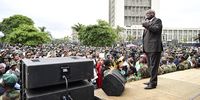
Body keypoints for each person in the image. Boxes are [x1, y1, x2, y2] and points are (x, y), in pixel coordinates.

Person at [142, 9, 163, 89]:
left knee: (154, 66)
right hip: (148, 48)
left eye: (147, 13)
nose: (146, 15)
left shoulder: (158, 21)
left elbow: (155, 29)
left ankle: (153, 83)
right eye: (146, 14)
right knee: (150, 66)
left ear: (152, 14)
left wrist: (146, 25)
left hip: (154, 48)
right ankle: (151, 80)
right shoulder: (148, 23)